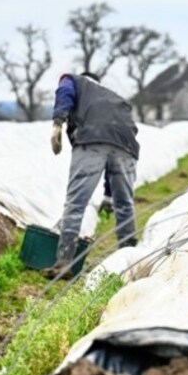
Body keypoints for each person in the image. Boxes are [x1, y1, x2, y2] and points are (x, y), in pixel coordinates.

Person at [45, 71, 139, 279]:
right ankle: (132, 259)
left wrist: (57, 123)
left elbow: (65, 91)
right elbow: (113, 143)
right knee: (124, 204)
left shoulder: (73, 80)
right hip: (126, 145)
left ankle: (64, 263)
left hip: (92, 140)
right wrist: (108, 194)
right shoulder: (113, 97)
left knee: (75, 204)